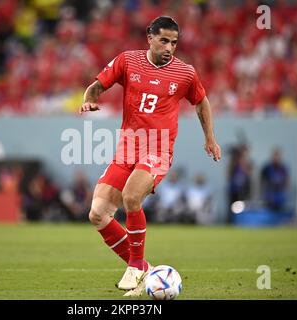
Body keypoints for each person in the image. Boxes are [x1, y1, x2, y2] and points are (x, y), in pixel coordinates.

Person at [79, 16, 221, 297]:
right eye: (164, 40)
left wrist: (210, 138)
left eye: (174, 42)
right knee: (97, 214)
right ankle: (146, 269)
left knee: (132, 197)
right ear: (150, 37)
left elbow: (201, 102)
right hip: (127, 148)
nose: (170, 47)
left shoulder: (185, 74)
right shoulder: (127, 61)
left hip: (157, 149)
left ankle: (135, 266)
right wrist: (89, 99)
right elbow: (96, 86)